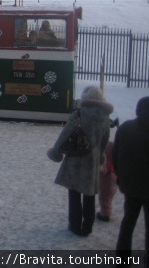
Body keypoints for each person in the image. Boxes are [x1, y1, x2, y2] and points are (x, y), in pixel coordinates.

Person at [47, 86, 113, 236]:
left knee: (74, 193)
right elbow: (104, 141)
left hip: (75, 158)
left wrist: (56, 151)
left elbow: (66, 134)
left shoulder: (79, 114)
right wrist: (99, 155)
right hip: (93, 160)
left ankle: (75, 225)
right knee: (89, 195)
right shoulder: (105, 117)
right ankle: (87, 227)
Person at [112, 96, 149, 259]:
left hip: (130, 186)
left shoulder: (126, 128)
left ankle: (122, 259)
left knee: (128, 223)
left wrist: (121, 176)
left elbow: (115, 155)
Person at [96, 140, 117, 222]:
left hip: (106, 182)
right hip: (114, 181)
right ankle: (108, 210)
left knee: (104, 198)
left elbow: (103, 171)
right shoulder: (115, 160)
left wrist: (98, 170)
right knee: (109, 198)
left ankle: (105, 214)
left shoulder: (105, 161)